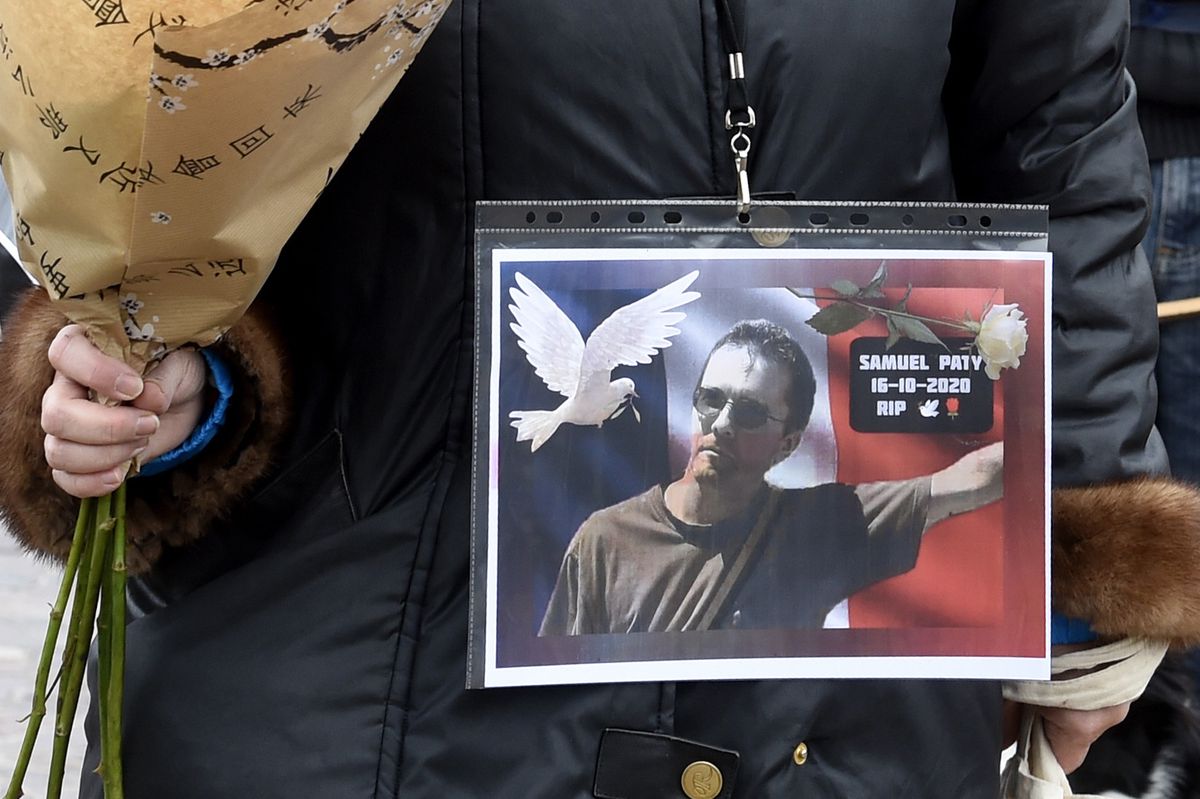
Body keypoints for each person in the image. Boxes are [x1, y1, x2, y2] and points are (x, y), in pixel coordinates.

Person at [3, 1, 1199, 796]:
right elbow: (123, 117)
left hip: (843, 721)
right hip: (356, 663)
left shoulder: (835, 520)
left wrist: (1076, 569)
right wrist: (170, 369)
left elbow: (1055, 125)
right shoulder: (604, 539)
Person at [541, 319, 1002, 635]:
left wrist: (1035, 407)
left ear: (788, 444)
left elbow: (973, 479)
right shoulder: (604, 540)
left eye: (749, 412)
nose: (722, 423)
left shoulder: (817, 528)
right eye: (711, 399)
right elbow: (557, 690)